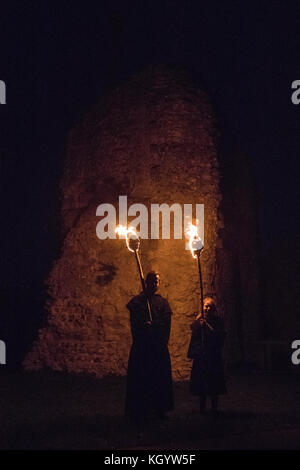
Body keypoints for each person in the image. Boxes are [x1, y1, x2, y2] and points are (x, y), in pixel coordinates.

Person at [125, 271, 174, 424]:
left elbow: (166, 324)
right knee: (142, 379)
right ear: (147, 283)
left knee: (158, 379)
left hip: (158, 347)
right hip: (143, 348)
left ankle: (159, 409)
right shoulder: (138, 302)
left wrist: (156, 327)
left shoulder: (163, 303)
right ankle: (140, 409)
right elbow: (135, 325)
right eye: (152, 281)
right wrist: (144, 326)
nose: (155, 284)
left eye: (157, 282)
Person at [187, 296, 227, 415]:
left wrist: (207, 327)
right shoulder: (200, 319)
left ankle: (214, 407)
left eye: (209, 306)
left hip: (213, 356)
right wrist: (199, 324)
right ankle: (202, 407)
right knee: (201, 383)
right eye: (205, 306)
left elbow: (219, 336)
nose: (207, 308)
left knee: (214, 383)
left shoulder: (217, 321)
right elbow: (194, 333)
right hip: (202, 356)